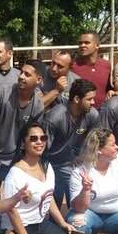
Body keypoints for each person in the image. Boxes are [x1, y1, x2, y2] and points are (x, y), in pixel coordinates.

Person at [0, 122, 82, 234]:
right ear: (23, 143)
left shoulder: (46, 165)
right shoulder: (15, 173)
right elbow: (11, 210)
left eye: (43, 138)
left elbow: (48, 197)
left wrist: (62, 223)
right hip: (21, 228)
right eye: (33, 138)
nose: (39, 142)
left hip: (41, 225)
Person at [0, 59, 44, 194]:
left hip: (14, 160)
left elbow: (30, 138)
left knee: (11, 200)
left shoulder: (37, 104)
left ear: (38, 80)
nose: (21, 76)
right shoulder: (2, 91)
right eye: (21, 72)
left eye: (27, 74)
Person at [44, 78, 100, 206]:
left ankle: (74, 219)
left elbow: (94, 142)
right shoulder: (55, 117)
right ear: (76, 99)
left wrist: (83, 157)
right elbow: (42, 149)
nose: (93, 102)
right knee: (55, 203)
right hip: (54, 164)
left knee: (76, 200)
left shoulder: (92, 115)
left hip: (76, 163)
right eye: (89, 99)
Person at [70, 32, 112, 107]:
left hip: (101, 113)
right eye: (80, 43)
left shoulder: (106, 65)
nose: (82, 45)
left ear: (97, 45)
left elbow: (109, 88)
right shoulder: (72, 66)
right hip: (80, 113)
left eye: (87, 43)